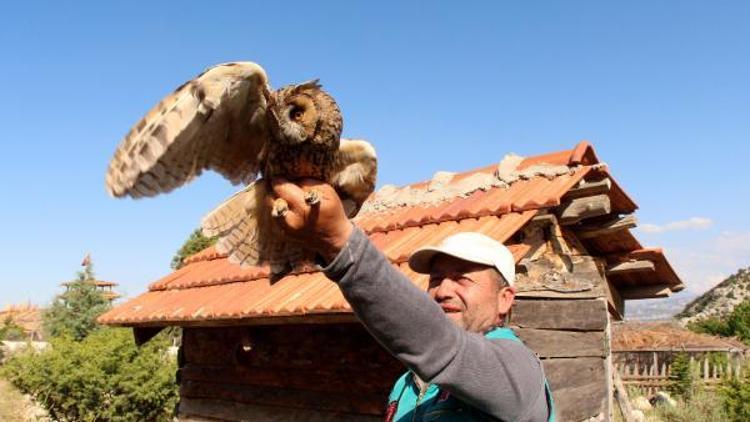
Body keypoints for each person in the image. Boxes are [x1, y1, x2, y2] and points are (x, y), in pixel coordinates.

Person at [268, 178, 555, 422]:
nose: (442, 290)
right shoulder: (405, 386)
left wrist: (340, 246)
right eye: (436, 278)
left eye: (462, 278)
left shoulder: (519, 371)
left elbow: (444, 347)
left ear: (504, 300)